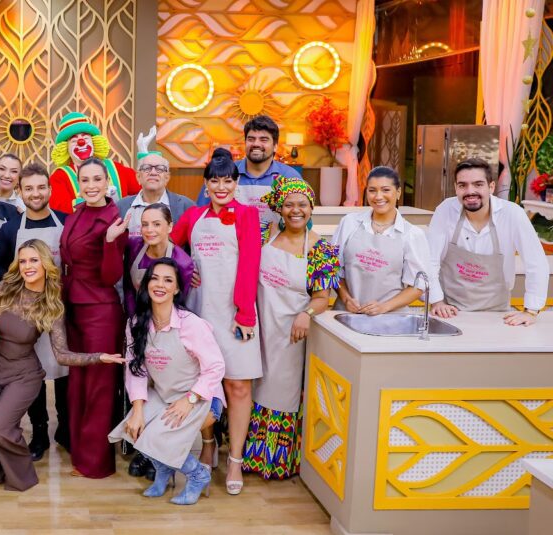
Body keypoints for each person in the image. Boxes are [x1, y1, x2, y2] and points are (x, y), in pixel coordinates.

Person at [0, 240, 125, 491]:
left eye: (33, 260)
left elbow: (62, 355)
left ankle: (21, 475)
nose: (28, 266)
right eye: (23, 261)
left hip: (23, 376)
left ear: (45, 264)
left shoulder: (51, 304)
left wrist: (98, 357)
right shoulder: (4, 290)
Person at [170, 148, 262, 494]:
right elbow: (168, 246)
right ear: (205, 185)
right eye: (214, 181)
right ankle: (208, 443)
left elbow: (250, 263)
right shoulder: (193, 216)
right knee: (203, 386)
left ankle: (234, 459)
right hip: (200, 316)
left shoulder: (247, 215)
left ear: (236, 184)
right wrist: (184, 269)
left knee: (238, 387)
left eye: (227, 181)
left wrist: (245, 313)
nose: (221, 187)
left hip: (237, 317)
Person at [109, 258, 226, 505]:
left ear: (177, 288)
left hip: (202, 397)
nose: (160, 284)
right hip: (164, 394)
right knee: (133, 428)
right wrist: (137, 411)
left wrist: (190, 399)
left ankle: (198, 474)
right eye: (155, 278)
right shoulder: (136, 323)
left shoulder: (191, 324)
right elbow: (136, 371)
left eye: (168, 280)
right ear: (146, 284)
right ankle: (163, 469)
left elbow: (216, 367)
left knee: (156, 438)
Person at [243, 177, 339, 480]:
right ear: (279, 209)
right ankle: (244, 456)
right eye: (289, 205)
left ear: (311, 208)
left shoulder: (321, 249)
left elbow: (322, 298)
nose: (296, 210)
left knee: (280, 392)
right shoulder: (264, 234)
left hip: (290, 335)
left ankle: (275, 461)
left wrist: (306, 314)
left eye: (302, 205)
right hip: (258, 328)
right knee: (251, 386)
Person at [0, 163, 70, 460]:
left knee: (63, 371)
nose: (36, 193)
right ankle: (39, 431)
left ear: (50, 189)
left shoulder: (66, 222)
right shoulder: (10, 229)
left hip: (60, 308)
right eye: (29, 188)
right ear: (20, 192)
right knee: (32, 372)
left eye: (41, 187)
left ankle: (65, 429)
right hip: (26, 314)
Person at [60, 157, 129, 478]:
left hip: (100, 309)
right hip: (73, 306)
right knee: (78, 383)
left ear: (107, 182)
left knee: (99, 386)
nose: (90, 186)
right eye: (85, 180)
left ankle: (96, 461)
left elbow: (111, 275)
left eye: (96, 179)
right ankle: (80, 453)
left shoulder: (114, 219)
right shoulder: (77, 212)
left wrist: (111, 242)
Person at [427, 158, 548, 324]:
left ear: (491, 187)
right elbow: (430, 261)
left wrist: (531, 311)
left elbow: (536, 263)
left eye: (478, 184)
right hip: (449, 312)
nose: (470, 191)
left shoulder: (512, 214)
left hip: (498, 314)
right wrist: (436, 301)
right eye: (462, 185)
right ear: (456, 188)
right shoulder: (445, 210)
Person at [332, 166, 430, 314]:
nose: (378, 197)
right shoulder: (349, 223)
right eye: (372, 190)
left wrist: (384, 307)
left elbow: (417, 286)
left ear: (398, 192)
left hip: (389, 318)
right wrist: (346, 299)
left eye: (385, 190)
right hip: (347, 313)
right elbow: (333, 269)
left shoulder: (412, 235)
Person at [196, 115, 301, 228]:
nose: (256, 144)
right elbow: (200, 214)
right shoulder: (226, 172)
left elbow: (302, 221)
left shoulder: (289, 177)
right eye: (251, 139)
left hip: (275, 238)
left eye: (263, 140)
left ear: (275, 146)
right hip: (231, 238)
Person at [113, 203, 196, 317]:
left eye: (156, 224)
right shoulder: (133, 246)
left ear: (170, 226)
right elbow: (129, 289)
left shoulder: (183, 263)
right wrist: (133, 319)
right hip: (136, 316)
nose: (149, 230)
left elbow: (179, 302)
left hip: (166, 319)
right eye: (145, 224)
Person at [48, 112, 142, 213]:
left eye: (86, 138)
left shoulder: (116, 168)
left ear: (94, 142)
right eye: (74, 141)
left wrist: (143, 156)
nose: (81, 142)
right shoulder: (60, 177)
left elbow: (144, 188)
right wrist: (97, 199)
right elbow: (60, 208)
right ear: (65, 148)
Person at [116, 152, 195, 238]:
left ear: (167, 177)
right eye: (147, 168)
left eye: (159, 169)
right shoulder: (121, 207)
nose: (153, 172)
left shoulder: (185, 206)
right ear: (138, 177)